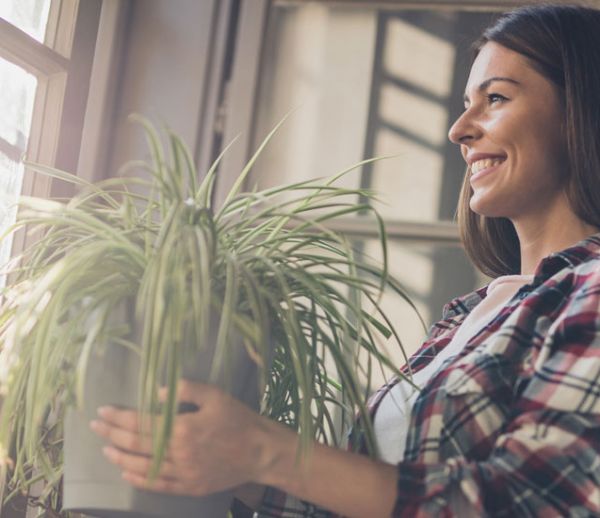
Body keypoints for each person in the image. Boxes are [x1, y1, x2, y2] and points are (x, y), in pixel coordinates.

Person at [90, 4, 600, 516]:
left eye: (494, 98)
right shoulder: (471, 315)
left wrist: (264, 452)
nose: (459, 130)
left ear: (580, 109)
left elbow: (532, 504)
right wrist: (230, 460)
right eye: (466, 103)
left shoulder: (590, 290)